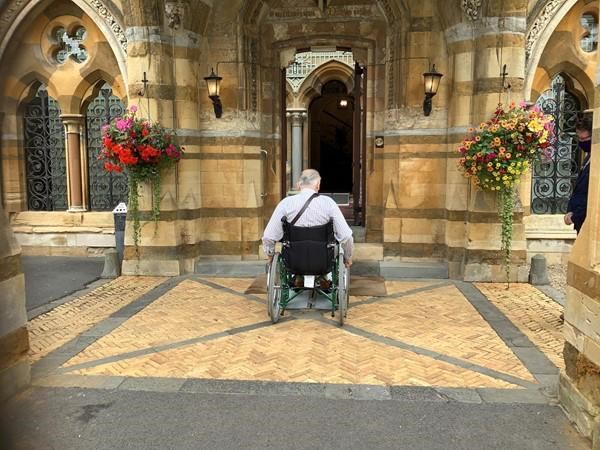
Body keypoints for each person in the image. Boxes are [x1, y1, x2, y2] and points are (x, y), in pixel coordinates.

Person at [262, 168, 353, 268]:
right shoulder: (329, 203)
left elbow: (268, 236)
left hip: (293, 260)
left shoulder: (285, 204)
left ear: (299, 184)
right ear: (318, 185)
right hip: (324, 260)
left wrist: (270, 255)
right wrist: (347, 257)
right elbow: (346, 237)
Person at [564, 117, 592, 234]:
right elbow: (578, 190)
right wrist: (570, 210)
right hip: (579, 220)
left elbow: (591, 194)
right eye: (579, 138)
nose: (581, 142)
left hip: (586, 220)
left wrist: (575, 215)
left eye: (584, 138)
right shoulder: (588, 158)